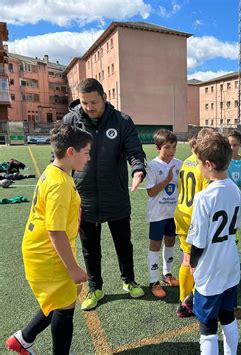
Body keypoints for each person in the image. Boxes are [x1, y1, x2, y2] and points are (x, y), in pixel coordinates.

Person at [6, 123, 91, 354]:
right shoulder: (59, 184)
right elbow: (55, 231)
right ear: (71, 152)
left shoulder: (56, 172)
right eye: (86, 152)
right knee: (65, 305)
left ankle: (23, 339)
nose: (89, 157)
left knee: (60, 299)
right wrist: (73, 268)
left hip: (44, 248)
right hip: (48, 253)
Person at [63, 78, 147, 311]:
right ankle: (95, 287)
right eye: (84, 102)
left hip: (116, 195)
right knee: (90, 247)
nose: (89, 107)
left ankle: (128, 281)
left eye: (93, 102)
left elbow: (134, 150)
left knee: (123, 243)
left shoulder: (122, 121)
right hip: (84, 198)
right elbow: (59, 154)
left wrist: (138, 169)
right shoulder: (71, 120)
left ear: (104, 97)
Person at [187, 132, 241, 355]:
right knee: (228, 315)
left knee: (207, 324)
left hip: (210, 268)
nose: (198, 167)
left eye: (199, 163)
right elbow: (235, 227)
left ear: (208, 164)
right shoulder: (236, 190)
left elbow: (198, 241)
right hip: (230, 263)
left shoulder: (204, 197)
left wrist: (192, 264)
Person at [175, 131, 210, 317]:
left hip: (181, 213)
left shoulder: (186, 161)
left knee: (187, 260)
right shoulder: (205, 166)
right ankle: (193, 300)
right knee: (199, 262)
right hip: (195, 217)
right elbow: (206, 199)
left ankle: (183, 300)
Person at [145, 129, 182, 299]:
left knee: (170, 242)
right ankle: (153, 281)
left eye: (173, 147)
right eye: (167, 147)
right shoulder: (152, 166)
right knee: (155, 245)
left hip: (173, 213)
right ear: (158, 148)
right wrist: (166, 181)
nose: (171, 151)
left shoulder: (179, 164)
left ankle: (167, 274)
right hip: (157, 214)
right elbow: (151, 192)